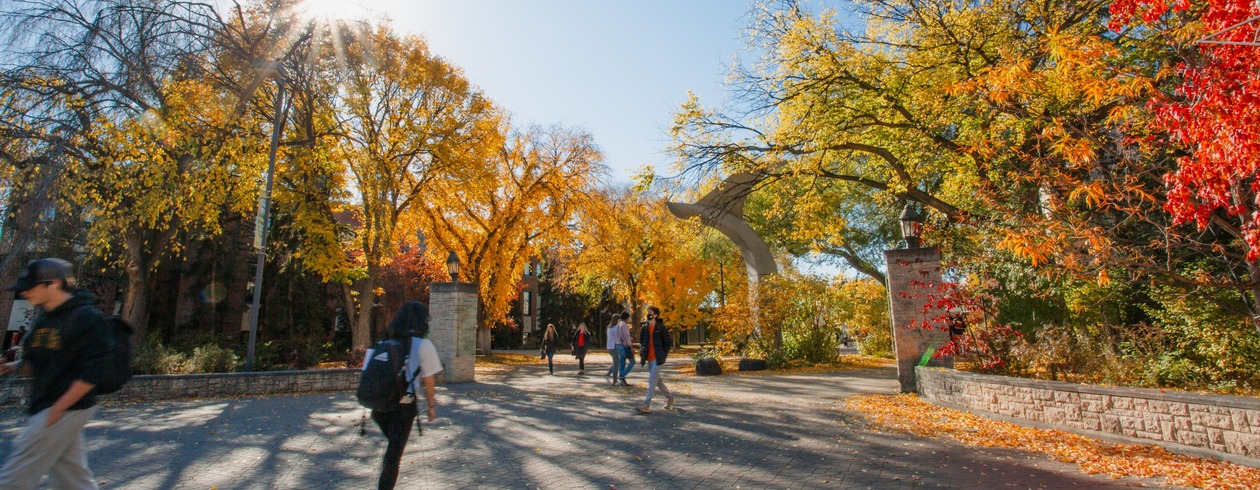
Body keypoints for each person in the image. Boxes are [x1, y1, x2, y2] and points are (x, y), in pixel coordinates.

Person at [0, 258, 113, 489]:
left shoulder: (86, 317)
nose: (25, 293)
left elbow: (94, 370)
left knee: (15, 476)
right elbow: (40, 359)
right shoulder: (45, 318)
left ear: (53, 284)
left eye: (30, 287)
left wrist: (59, 408)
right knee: (73, 480)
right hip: (48, 407)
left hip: (63, 409)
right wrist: (14, 366)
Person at [365, 301, 443, 490]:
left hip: (378, 405)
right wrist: (431, 407)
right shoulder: (423, 345)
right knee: (393, 456)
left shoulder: (384, 341)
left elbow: (368, 368)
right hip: (403, 406)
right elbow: (429, 380)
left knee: (394, 447)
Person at [635, 305, 674, 414]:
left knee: (652, 380)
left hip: (658, 358)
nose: (649, 314)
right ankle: (670, 398)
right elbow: (642, 341)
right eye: (648, 312)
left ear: (655, 315)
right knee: (658, 381)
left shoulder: (661, 327)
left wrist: (663, 354)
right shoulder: (645, 327)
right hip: (649, 359)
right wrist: (643, 352)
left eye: (651, 312)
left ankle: (646, 405)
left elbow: (668, 343)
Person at [614, 312, 634, 386]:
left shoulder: (617, 325)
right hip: (624, 346)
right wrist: (631, 346)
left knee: (622, 362)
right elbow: (627, 337)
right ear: (627, 318)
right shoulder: (624, 325)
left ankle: (622, 379)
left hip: (618, 345)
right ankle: (622, 375)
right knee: (632, 361)